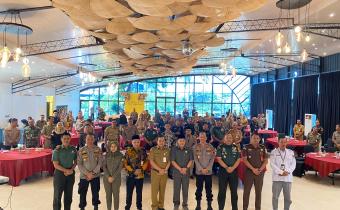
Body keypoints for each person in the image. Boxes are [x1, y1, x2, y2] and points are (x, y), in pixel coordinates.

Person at [243, 133, 269, 210]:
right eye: (254, 138)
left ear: (259, 139)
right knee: (246, 192)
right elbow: (245, 160)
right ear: (251, 139)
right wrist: (253, 169)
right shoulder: (246, 147)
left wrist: (260, 169)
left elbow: (266, 161)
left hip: (260, 173)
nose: (256, 140)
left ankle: (258, 208)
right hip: (249, 172)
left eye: (257, 138)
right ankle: (245, 208)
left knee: (258, 192)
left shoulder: (263, 148)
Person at [270, 134, 296, 210]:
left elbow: (293, 164)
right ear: (278, 142)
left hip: (287, 179)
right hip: (277, 178)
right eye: (281, 142)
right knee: (275, 197)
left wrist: (288, 172)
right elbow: (272, 164)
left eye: (285, 142)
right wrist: (281, 172)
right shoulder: (273, 152)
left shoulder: (291, 152)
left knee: (288, 198)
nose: (283, 144)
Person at [52, 132, 77, 210]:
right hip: (59, 174)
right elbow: (55, 165)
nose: (66, 140)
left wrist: (71, 170)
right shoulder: (57, 150)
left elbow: (76, 162)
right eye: (64, 138)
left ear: (70, 139)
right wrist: (66, 171)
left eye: (68, 138)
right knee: (57, 195)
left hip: (70, 174)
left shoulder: (73, 149)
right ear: (61, 139)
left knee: (69, 195)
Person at [123, 135, 149, 210]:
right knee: (129, 193)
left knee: (139, 193)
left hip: (140, 176)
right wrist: (133, 171)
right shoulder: (128, 151)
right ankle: (128, 206)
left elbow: (146, 161)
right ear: (132, 142)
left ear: (140, 142)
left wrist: (141, 170)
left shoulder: (143, 150)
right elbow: (125, 163)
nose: (136, 143)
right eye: (135, 142)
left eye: (138, 142)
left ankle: (139, 206)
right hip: (130, 176)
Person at [78, 134, 103, 210]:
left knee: (95, 192)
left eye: (91, 139)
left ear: (94, 140)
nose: (90, 141)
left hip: (95, 175)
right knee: (82, 193)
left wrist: (93, 173)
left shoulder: (98, 149)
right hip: (84, 176)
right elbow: (79, 164)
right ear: (85, 140)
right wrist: (87, 174)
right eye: (88, 139)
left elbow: (100, 162)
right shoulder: (81, 150)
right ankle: (82, 207)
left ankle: (96, 206)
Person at [216, 133, 241, 210]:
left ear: (232, 139)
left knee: (234, 192)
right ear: (224, 139)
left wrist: (232, 168)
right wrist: (227, 167)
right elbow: (219, 159)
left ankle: (235, 208)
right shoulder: (220, 147)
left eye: (230, 138)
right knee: (222, 192)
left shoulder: (236, 147)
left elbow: (238, 159)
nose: (229, 139)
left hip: (233, 172)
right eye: (227, 138)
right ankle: (220, 208)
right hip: (223, 172)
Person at [193, 132, 215, 210]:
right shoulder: (195, 147)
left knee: (209, 189)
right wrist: (201, 169)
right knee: (199, 188)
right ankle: (198, 205)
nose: (202, 138)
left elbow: (212, 159)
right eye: (201, 137)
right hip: (199, 172)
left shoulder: (211, 146)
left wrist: (208, 168)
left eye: (204, 137)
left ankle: (209, 205)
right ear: (199, 138)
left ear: (206, 138)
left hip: (208, 172)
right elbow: (195, 159)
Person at [171, 135, 193, 210]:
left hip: (186, 172)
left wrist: (186, 168)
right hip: (177, 172)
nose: (182, 142)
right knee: (176, 188)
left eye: (183, 141)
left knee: (185, 188)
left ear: (185, 142)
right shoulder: (174, 149)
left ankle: (185, 204)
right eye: (180, 141)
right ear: (177, 142)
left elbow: (191, 160)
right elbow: (173, 161)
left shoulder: (189, 149)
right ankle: (176, 204)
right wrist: (180, 169)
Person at [149, 136, 171, 210]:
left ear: (165, 142)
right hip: (155, 173)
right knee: (154, 191)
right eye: (160, 141)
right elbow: (151, 161)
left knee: (162, 190)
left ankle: (161, 206)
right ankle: (154, 207)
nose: (161, 142)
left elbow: (169, 161)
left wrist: (165, 170)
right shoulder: (153, 149)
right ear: (157, 141)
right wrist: (159, 170)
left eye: (163, 141)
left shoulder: (168, 150)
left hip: (164, 173)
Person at [103, 141, 124, 210]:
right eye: (112, 146)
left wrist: (113, 177)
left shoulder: (120, 155)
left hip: (116, 178)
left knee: (116, 195)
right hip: (107, 178)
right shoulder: (106, 155)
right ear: (109, 147)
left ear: (117, 147)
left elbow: (120, 167)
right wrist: (108, 176)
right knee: (108, 195)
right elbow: (104, 167)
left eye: (115, 146)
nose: (113, 148)